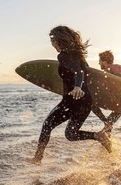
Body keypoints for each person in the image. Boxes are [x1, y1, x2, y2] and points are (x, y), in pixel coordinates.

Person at [30, 26, 111, 164]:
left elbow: (78, 73)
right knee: (71, 134)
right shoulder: (79, 56)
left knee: (47, 125)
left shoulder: (63, 55)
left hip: (73, 100)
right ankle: (98, 136)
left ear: (59, 40)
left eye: (52, 40)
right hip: (86, 101)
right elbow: (85, 74)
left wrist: (77, 87)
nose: (51, 43)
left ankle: (37, 159)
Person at [91, 50, 121, 135]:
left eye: (100, 61)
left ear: (104, 62)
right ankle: (107, 130)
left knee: (91, 103)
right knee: (116, 113)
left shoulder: (115, 67)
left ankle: (106, 124)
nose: (99, 63)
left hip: (120, 99)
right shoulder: (113, 69)